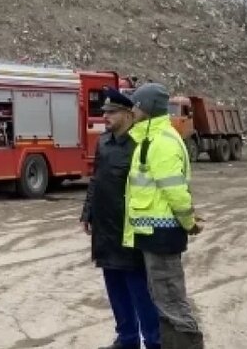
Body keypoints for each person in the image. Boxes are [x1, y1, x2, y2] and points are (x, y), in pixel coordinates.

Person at [124, 82, 205, 348]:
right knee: (163, 301)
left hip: (163, 235)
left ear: (146, 108)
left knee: (171, 302)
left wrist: (189, 222)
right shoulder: (149, 139)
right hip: (152, 235)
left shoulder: (162, 142)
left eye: (135, 105)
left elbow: (175, 191)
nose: (131, 111)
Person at [81, 87, 161, 349]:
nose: (106, 117)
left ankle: (152, 341)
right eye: (105, 112)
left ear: (128, 114)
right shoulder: (103, 142)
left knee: (139, 291)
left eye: (112, 112)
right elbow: (96, 179)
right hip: (105, 228)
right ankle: (126, 339)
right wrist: (88, 211)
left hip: (129, 229)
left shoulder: (140, 146)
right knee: (114, 289)